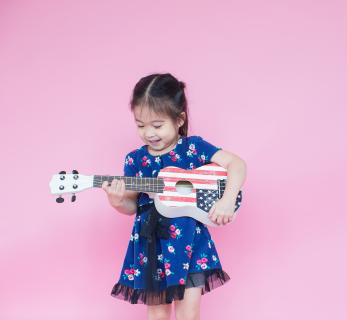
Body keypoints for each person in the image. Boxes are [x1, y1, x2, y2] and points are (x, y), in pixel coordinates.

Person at [102, 73, 247, 320]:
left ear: (179, 119)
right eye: (140, 125)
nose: (149, 133)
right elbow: (130, 205)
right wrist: (116, 200)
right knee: (157, 315)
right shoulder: (135, 160)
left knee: (188, 315)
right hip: (151, 244)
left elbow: (237, 164)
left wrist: (226, 201)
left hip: (190, 243)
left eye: (157, 125)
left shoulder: (193, 148)